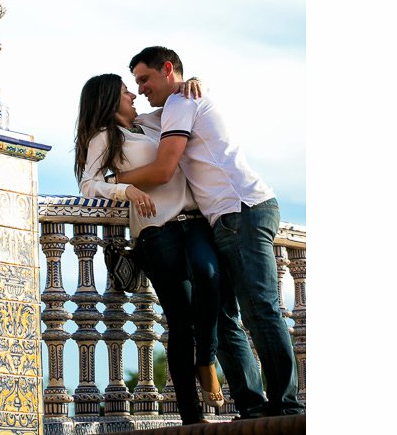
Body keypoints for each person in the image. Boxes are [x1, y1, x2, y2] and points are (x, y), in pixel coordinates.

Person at [114, 46, 305, 418]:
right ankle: (252, 403)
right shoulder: (176, 105)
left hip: (242, 210)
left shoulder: (183, 104)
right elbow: (137, 124)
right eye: (135, 83)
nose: (140, 89)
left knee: (260, 310)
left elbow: (165, 169)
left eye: (145, 79)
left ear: (168, 70)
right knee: (226, 315)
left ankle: (286, 405)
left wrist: (119, 181)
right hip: (225, 218)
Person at [74, 73, 227, 425]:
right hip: (157, 232)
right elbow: (89, 185)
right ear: (109, 99)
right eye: (126, 90)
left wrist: (193, 81)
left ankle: (206, 358)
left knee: (209, 276)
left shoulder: (154, 121)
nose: (133, 94)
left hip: (194, 220)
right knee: (179, 319)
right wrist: (125, 191)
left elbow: (190, 108)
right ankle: (191, 415)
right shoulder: (104, 137)